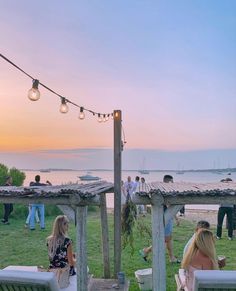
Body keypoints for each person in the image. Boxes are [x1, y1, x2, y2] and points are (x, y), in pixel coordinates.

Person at [139, 174, 180, 263]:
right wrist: (176, 218)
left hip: (164, 216)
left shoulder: (162, 189)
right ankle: (145, 251)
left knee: (168, 239)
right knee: (164, 240)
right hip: (166, 217)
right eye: (172, 181)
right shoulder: (166, 190)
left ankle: (172, 257)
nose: (173, 183)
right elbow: (169, 206)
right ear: (168, 181)